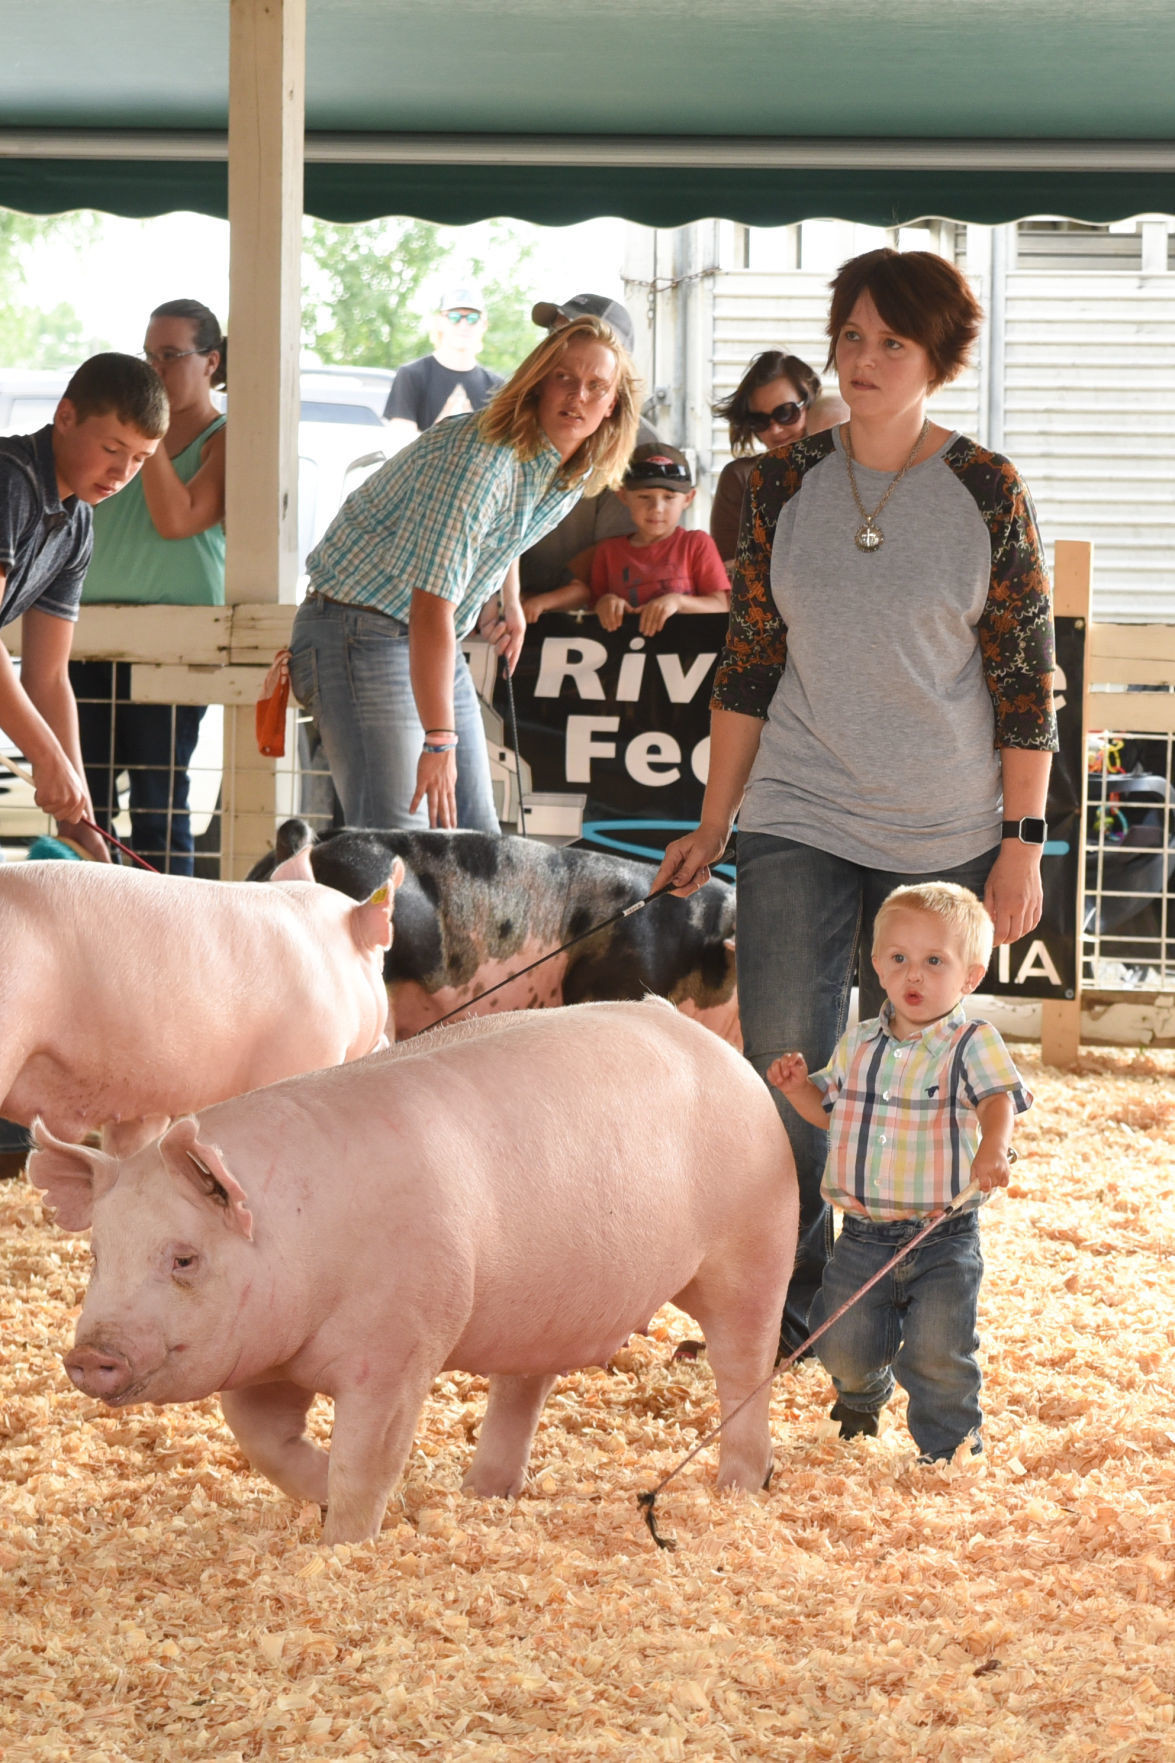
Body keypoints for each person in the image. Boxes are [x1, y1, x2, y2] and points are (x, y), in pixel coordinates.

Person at [653, 247, 1057, 1360]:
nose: (864, 359)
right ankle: (780, 1313)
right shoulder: (778, 482)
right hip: (797, 807)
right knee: (784, 1065)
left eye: (891, 342)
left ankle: (895, 1310)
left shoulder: (985, 488)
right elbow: (747, 663)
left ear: (938, 360)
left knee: (915, 1081)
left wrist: (1020, 842)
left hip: (944, 826)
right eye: (850, 335)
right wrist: (713, 818)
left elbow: (1024, 681)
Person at [289, 314, 641, 832]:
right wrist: (439, 738)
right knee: (397, 840)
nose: (578, 395)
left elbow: (503, 533)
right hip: (359, 626)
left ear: (612, 405)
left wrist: (510, 598)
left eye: (596, 386)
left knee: (476, 840)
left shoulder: (566, 468)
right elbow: (431, 603)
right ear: (539, 381)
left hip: (423, 633)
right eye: (565, 377)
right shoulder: (483, 457)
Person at [767, 883, 1031, 1462]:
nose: (914, 974)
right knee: (842, 1342)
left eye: (935, 961)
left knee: (940, 1351)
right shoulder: (859, 1042)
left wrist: (994, 1146)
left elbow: (998, 1100)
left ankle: (950, 1452)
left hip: (941, 1236)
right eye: (898, 959)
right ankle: (862, 1395)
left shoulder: (971, 1042)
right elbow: (827, 1109)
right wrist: (796, 1090)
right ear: (878, 969)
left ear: (971, 976)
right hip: (861, 1234)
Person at [70, 300, 227, 873]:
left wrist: (150, 431)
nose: (155, 367)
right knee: (83, 804)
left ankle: (169, 941)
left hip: (173, 643)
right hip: (85, 632)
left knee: (160, 808)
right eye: (149, 355)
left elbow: (177, 519)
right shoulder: (116, 435)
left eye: (170, 355)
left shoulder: (225, 435)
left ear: (210, 361)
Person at [0, 351, 166, 863]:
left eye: (140, 459)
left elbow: (48, 677)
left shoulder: (78, 524)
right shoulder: (12, 480)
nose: (122, 472)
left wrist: (81, 819)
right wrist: (48, 758)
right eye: (112, 448)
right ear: (65, 417)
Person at [518, 294, 660, 604]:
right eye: (554, 333)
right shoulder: (513, 420)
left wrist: (542, 601)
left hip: (592, 614)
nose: (559, 344)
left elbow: (620, 551)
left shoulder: (643, 447)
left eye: (575, 333)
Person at [524, 443, 729, 634]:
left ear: (688, 499)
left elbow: (721, 606)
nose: (657, 509)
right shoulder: (608, 552)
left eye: (669, 498)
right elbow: (593, 606)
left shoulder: (696, 544)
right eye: (644, 497)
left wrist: (677, 602)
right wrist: (607, 603)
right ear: (622, 496)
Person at [709, 350, 822, 570]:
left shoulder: (847, 466)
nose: (775, 429)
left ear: (810, 402)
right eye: (759, 420)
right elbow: (726, 569)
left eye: (785, 413)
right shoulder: (740, 478)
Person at [383, 286, 503, 451]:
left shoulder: (497, 386)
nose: (463, 325)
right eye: (454, 317)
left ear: (483, 325)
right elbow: (401, 445)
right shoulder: (411, 375)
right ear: (440, 322)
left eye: (472, 318)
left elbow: (498, 450)